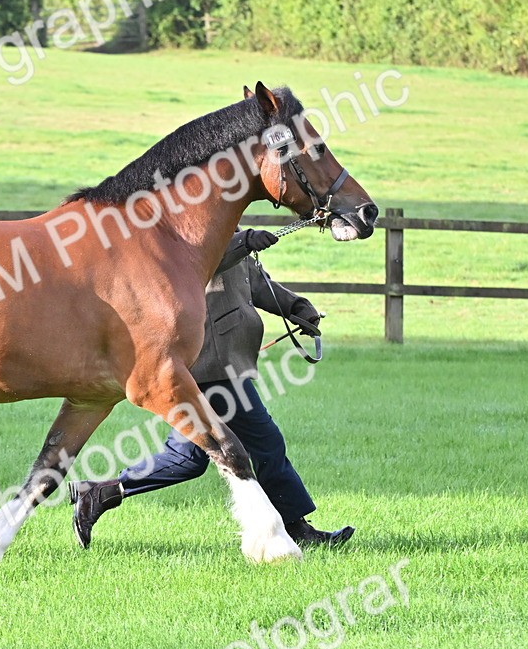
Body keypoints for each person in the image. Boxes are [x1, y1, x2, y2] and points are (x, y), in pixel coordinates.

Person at [69, 228, 355, 549]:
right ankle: (296, 529)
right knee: (265, 444)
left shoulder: (227, 226)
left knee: (185, 459)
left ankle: (100, 492)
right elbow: (207, 257)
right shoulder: (192, 230)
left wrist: (296, 307)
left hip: (222, 365)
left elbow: (254, 282)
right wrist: (244, 241)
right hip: (211, 365)